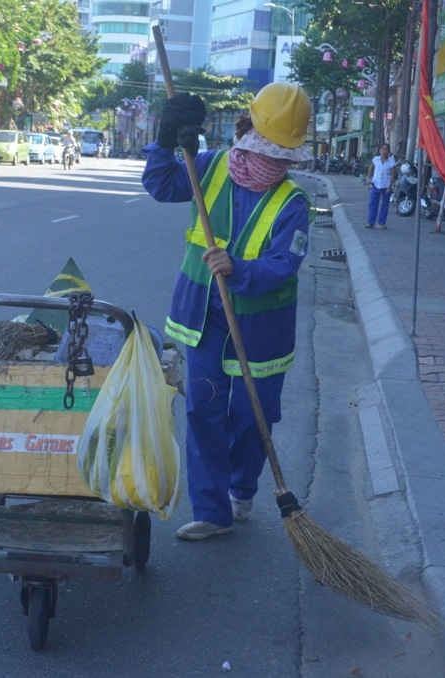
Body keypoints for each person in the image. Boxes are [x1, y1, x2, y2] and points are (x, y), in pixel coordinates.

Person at [141, 83, 313, 541]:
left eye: (282, 156)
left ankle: (242, 487)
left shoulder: (293, 203)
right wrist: (164, 139)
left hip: (262, 326)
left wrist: (239, 270)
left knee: (253, 419)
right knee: (204, 411)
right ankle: (212, 510)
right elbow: (160, 184)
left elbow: (285, 263)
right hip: (204, 318)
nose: (272, 163)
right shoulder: (212, 166)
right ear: (248, 131)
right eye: (267, 150)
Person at [366, 143, 396, 229]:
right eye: (382, 149)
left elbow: (393, 174)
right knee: (372, 203)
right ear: (380, 150)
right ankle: (370, 222)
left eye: (386, 149)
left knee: (384, 205)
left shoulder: (391, 161)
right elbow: (370, 168)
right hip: (376, 184)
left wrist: (390, 186)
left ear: (388, 151)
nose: (384, 151)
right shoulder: (376, 159)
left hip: (386, 186)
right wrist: (368, 178)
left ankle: (381, 223)